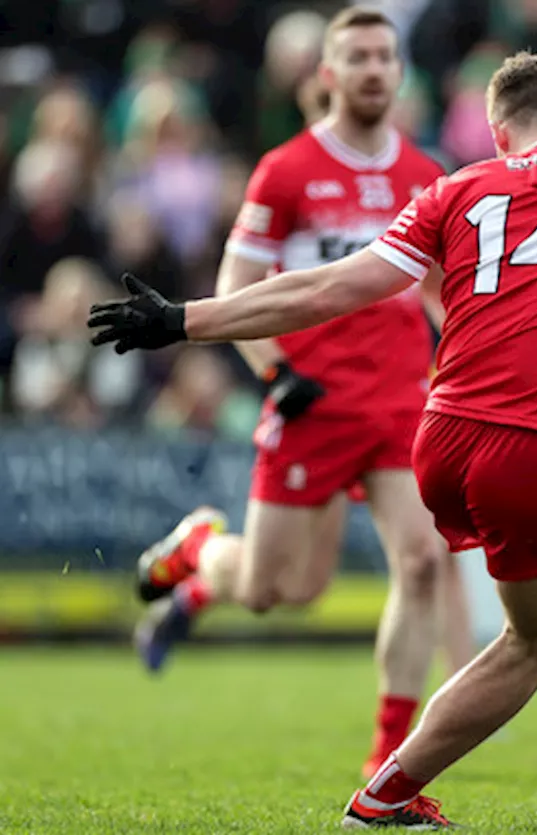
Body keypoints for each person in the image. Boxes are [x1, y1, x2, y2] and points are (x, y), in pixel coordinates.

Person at [89, 51, 537, 829]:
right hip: (535, 442)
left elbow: (330, 287)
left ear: (496, 135)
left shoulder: (453, 189)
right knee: (534, 641)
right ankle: (382, 798)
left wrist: (184, 320)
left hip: (439, 437)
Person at [127, 7, 476, 779]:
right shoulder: (285, 171)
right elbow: (234, 291)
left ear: (401, 69)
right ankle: (199, 553)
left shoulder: (426, 177)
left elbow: (442, 297)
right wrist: (277, 371)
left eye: (386, 56)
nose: (375, 69)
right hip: (312, 401)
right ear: (326, 75)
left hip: (398, 403)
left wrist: (473, 360)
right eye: (357, 58)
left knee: (421, 562)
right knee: (275, 588)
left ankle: (389, 760)